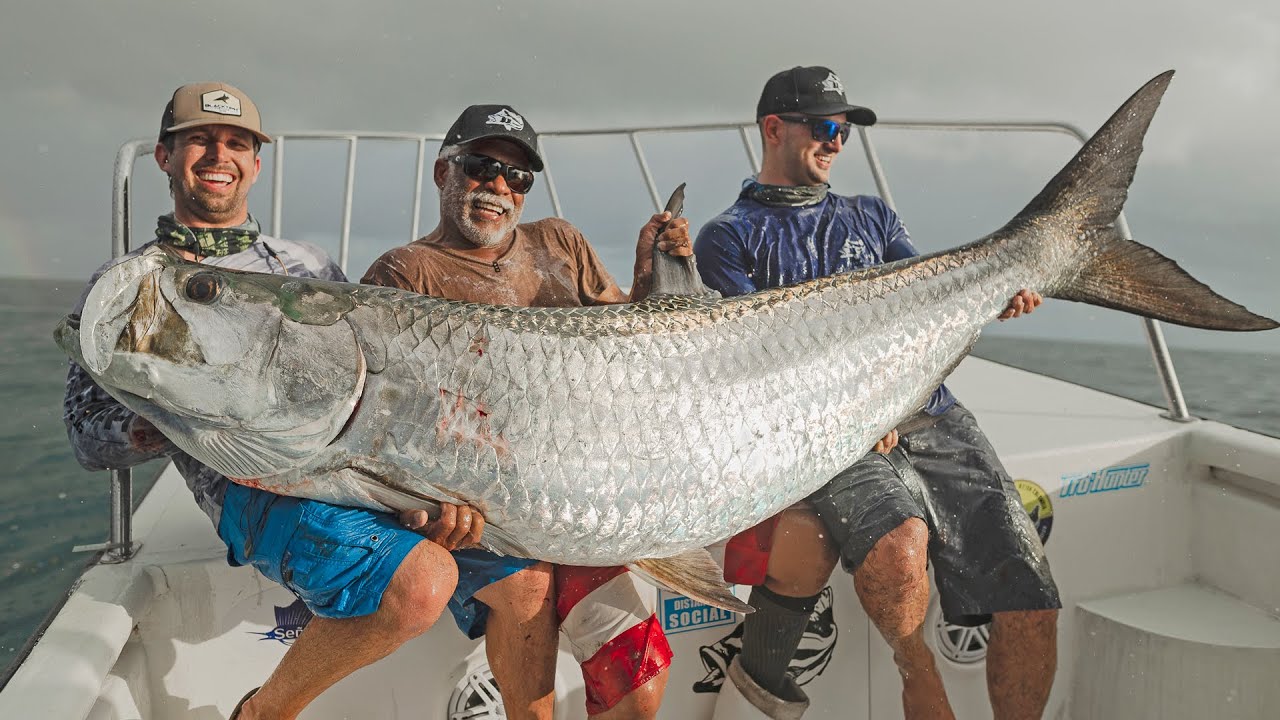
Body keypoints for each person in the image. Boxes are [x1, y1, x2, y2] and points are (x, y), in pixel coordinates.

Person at [62, 82, 476, 720]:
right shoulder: (133, 287)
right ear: (164, 157)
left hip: (351, 468)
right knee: (423, 584)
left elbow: (381, 384)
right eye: (197, 138)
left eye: (235, 142)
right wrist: (172, 417)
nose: (216, 154)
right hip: (252, 487)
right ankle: (262, 713)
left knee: (522, 567)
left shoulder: (307, 265)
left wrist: (417, 480)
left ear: (256, 163)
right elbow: (88, 439)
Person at [694, 67, 1061, 720]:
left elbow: (928, 309)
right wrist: (859, 411)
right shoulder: (727, 237)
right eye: (826, 128)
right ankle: (918, 676)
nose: (837, 143)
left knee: (1028, 597)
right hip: (831, 432)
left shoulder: (873, 215)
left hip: (931, 414)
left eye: (846, 132)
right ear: (774, 129)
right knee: (898, 550)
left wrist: (992, 301)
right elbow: (751, 370)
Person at [361, 104, 694, 719]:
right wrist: (424, 506)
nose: (499, 188)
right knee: (532, 675)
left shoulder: (560, 242)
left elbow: (631, 351)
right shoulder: (403, 274)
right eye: (483, 168)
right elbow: (381, 424)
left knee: (641, 690)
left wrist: (652, 274)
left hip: (576, 501)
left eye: (517, 178)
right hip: (486, 517)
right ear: (443, 173)